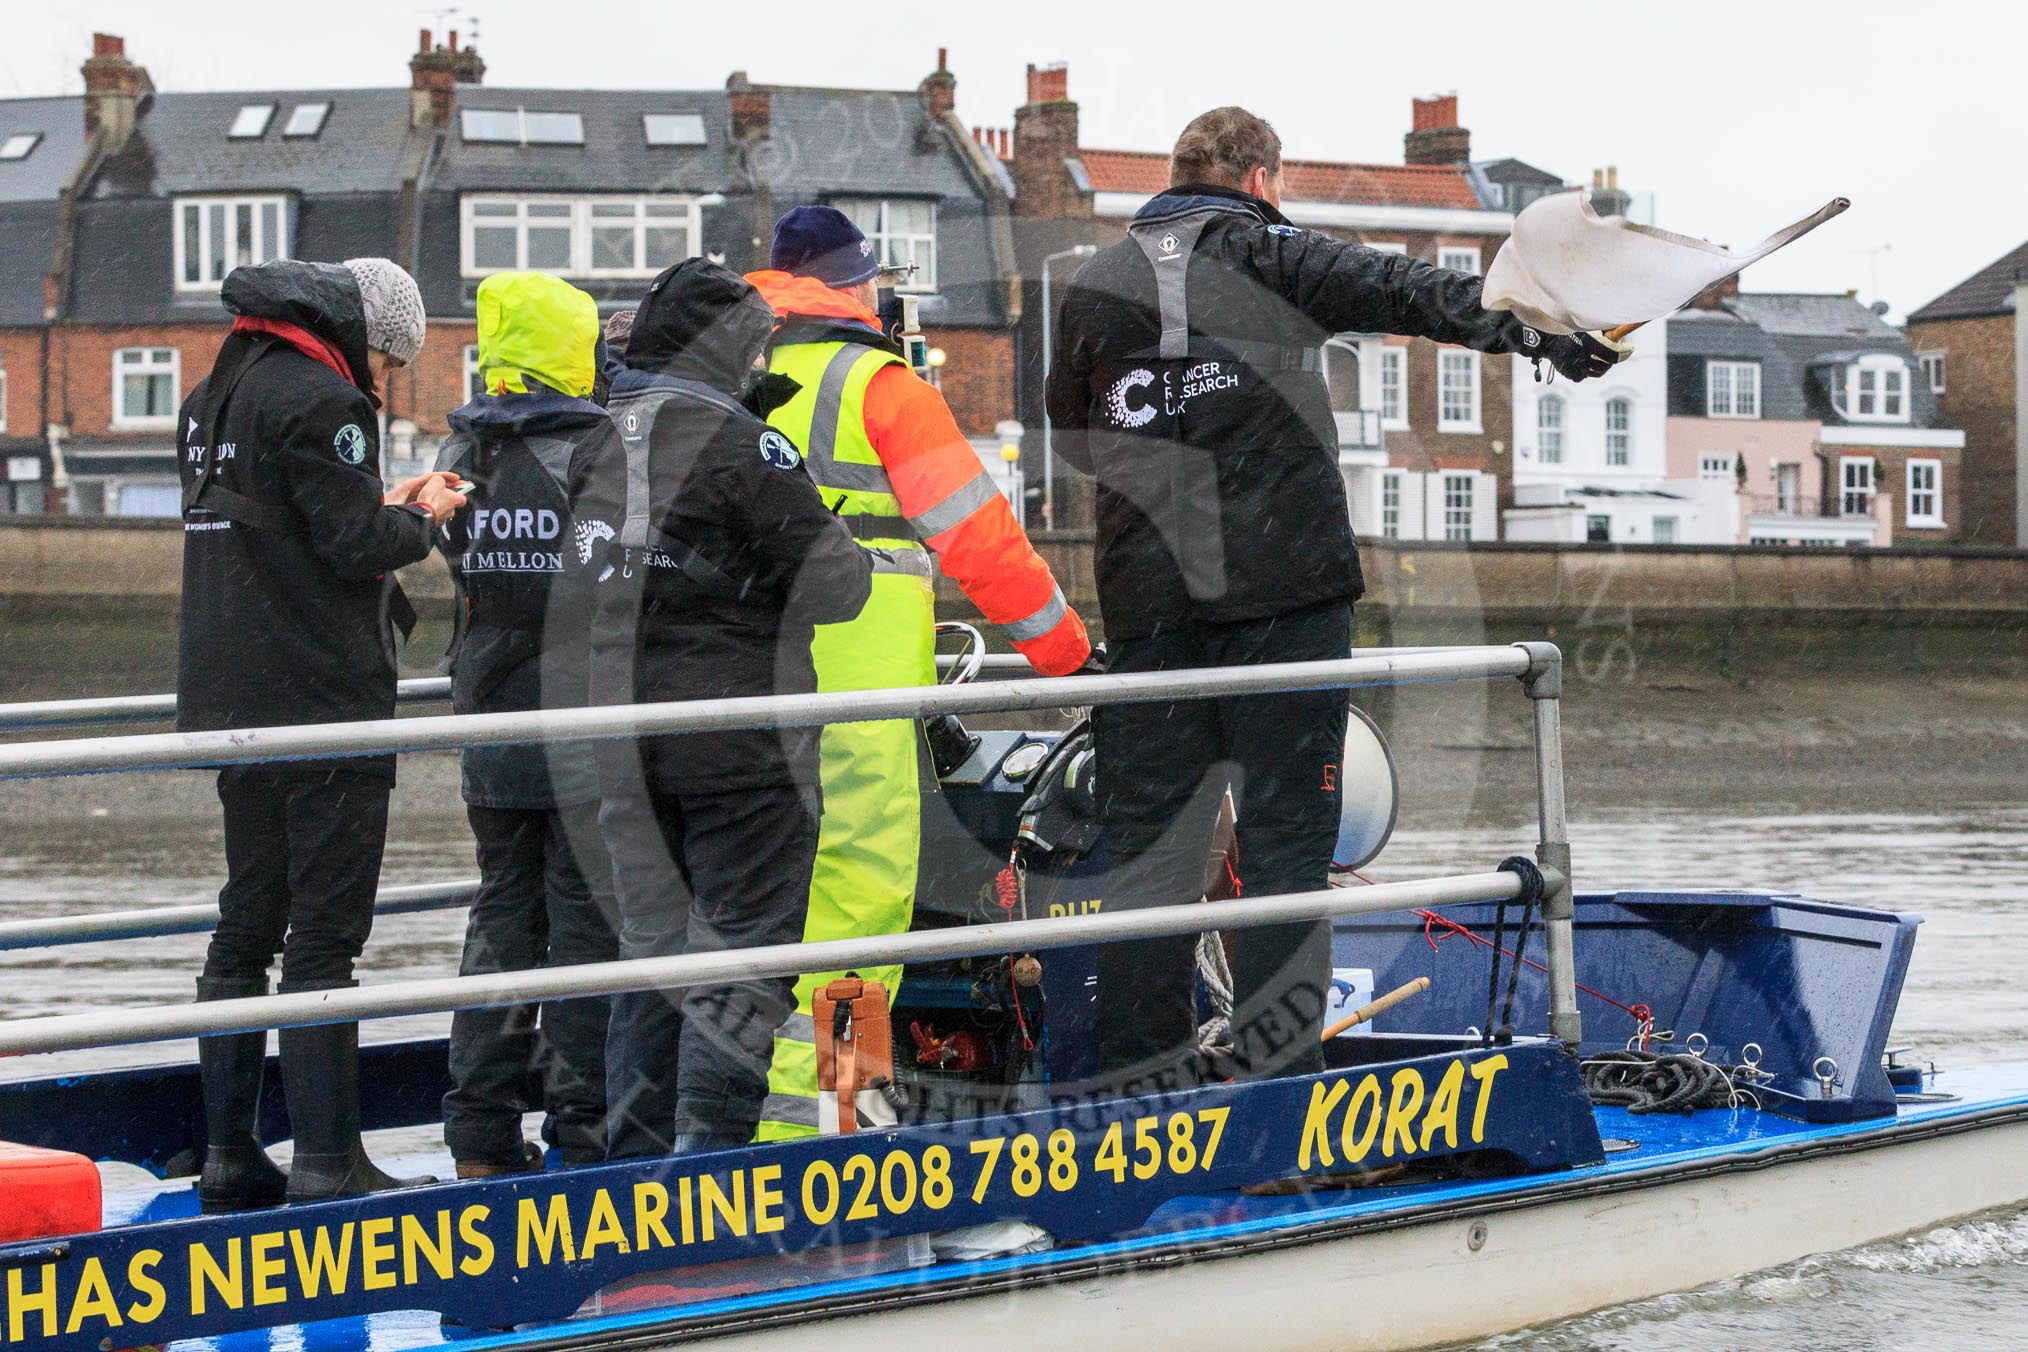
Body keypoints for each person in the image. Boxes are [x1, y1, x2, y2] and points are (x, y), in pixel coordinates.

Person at [1045, 107, 1627, 1093]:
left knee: (1148, 862)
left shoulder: (1096, 285)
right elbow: (1412, 289)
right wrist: (1552, 339)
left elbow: (1071, 436)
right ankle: (1278, 1094)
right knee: (1282, 854)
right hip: (1286, 599)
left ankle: (1132, 1095)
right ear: (1264, 180)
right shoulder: (1273, 255)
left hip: (1152, 609)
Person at [744, 206, 1092, 1140]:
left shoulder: (728, 374)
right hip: (857, 693)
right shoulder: (881, 385)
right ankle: (829, 1107)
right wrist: (1065, 653)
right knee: (856, 905)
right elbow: (978, 537)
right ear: (856, 287)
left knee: (744, 898)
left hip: (733, 687)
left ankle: (718, 1111)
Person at [177, 257, 465, 1209]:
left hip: (231, 698)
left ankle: (228, 1155)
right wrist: (422, 515)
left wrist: (375, 503)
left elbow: (287, 525)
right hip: (322, 700)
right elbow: (352, 546)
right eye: (387, 363)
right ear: (362, 337)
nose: (381, 384)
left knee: (244, 923)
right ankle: (327, 1162)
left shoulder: (212, 395)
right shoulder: (325, 403)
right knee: (325, 938)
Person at [577, 258, 874, 1157]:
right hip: (739, 735)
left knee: (654, 951)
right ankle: (710, 1162)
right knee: (741, 956)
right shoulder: (743, 443)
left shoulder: (597, 436)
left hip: (619, 731)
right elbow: (841, 583)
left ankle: (632, 1164)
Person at [433, 272, 622, 1178]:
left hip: (492, 709)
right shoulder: (595, 453)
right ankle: (584, 1137)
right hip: (580, 717)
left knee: (502, 921)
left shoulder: (461, 452)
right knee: (586, 932)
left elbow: (457, 556)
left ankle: (478, 1132)